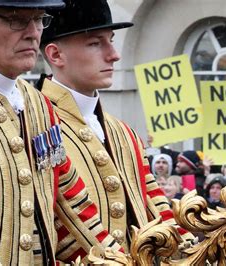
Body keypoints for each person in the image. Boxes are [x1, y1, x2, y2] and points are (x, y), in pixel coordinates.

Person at [0, 0, 122, 264]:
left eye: (40, 19)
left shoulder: (38, 105)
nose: (33, 32)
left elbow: (73, 216)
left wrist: (122, 260)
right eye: (17, 20)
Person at [37, 0, 193, 251]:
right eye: (95, 43)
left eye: (110, 40)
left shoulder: (124, 133)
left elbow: (157, 207)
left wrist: (191, 249)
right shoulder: (36, 128)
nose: (114, 54)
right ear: (55, 54)